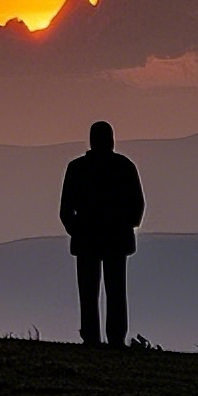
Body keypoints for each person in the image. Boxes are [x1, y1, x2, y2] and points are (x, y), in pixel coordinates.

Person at [59, 120, 145, 346]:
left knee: (90, 294)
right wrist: (126, 225)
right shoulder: (124, 166)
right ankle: (114, 339)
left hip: (88, 238)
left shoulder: (77, 168)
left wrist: (77, 230)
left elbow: (66, 209)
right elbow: (137, 204)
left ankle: (92, 338)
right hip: (114, 238)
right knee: (115, 292)